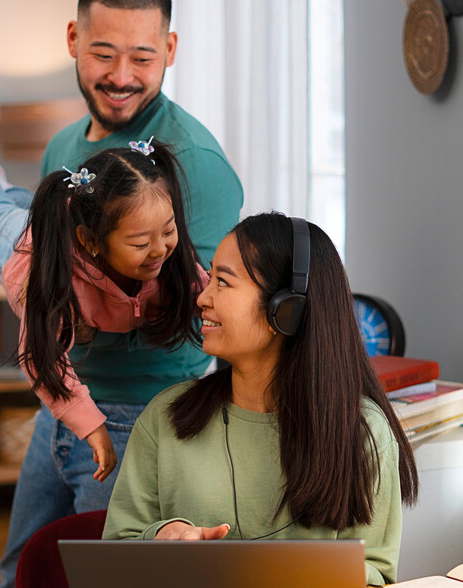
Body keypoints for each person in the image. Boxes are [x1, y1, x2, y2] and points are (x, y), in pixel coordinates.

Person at [0, 0, 243, 585]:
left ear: (170, 51)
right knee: (21, 569)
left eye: (143, 57)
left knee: (102, 575)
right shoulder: (66, 147)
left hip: (132, 416)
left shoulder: (193, 164)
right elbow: (41, 272)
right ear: (73, 41)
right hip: (61, 401)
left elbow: (193, 314)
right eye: (104, 53)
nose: (122, 74)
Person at [103, 213, 420, 586]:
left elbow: (375, 575)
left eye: (222, 282)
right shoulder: (166, 417)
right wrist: (160, 536)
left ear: (285, 310)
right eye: (209, 279)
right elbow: (114, 558)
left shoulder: (362, 432)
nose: (202, 297)